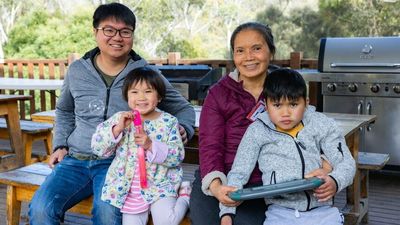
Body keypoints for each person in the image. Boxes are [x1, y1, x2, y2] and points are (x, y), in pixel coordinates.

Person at [28, 3, 195, 225]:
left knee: (108, 216)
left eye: (125, 31)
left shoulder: (144, 73)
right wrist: (60, 144)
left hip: (118, 164)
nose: (117, 37)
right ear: (95, 31)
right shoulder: (78, 70)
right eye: (109, 30)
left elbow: (182, 107)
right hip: (75, 159)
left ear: (132, 35)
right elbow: (65, 110)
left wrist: (185, 127)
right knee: (41, 209)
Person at [190, 22, 332, 225]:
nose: (248, 57)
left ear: (271, 51)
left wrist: (326, 166)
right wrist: (216, 187)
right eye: (240, 51)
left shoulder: (286, 85)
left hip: (270, 183)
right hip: (221, 177)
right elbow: (210, 146)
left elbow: (315, 129)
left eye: (256, 48)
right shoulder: (218, 94)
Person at [220, 68, 356, 225]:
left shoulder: (321, 124)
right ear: (266, 104)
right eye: (277, 105)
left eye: (293, 104)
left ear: (306, 102)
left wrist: (335, 180)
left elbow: (346, 162)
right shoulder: (257, 131)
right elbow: (239, 172)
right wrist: (227, 214)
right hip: (280, 212)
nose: (285, 113)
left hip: (322, 210)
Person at [91, 67, 191, 225]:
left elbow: (177, 156)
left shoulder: (169, 122)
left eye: (148, 91)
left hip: (161, 186)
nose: (141, 97)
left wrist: (151, 145)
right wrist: (117, 129)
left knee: (167, 221)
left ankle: (185, 196)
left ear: (159, 97)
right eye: (134, 92)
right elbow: (98, 149)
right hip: (131, 189)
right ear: (127, 96)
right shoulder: (120, 119)